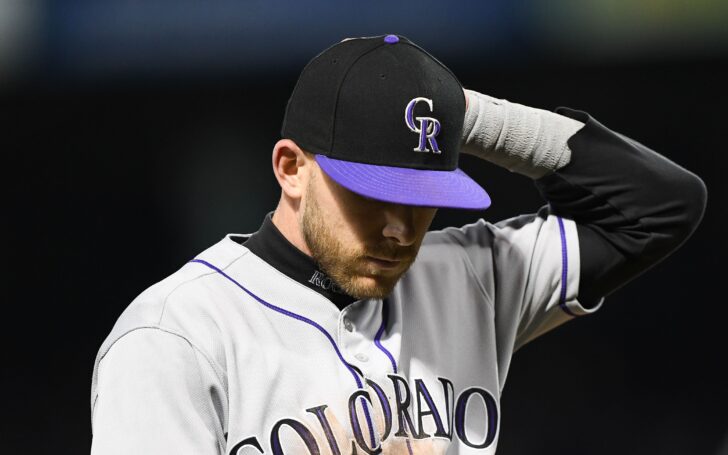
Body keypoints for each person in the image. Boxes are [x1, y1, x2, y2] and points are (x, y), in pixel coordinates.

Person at [90, 35, 707, 454]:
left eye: (421, 197)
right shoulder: (176, 335)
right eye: (372, 193)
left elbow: (658, 206)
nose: (399, 227)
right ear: (290, 168)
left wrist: (463, 116)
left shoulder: (470, 275)